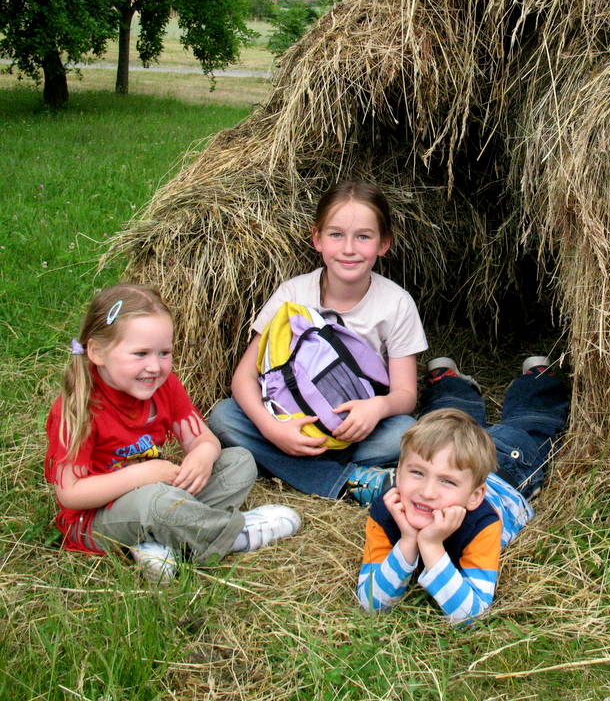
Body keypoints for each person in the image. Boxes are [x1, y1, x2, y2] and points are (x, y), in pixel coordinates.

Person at [45, 284, 301, 583]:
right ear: (97, 352)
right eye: (140, 354)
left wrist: (204, 455)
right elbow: (71, 493)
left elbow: (203, 439)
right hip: (95, 522)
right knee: (158, 503)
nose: (154, 366)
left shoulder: (164, 388)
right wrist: (144, 475)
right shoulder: (76, 408)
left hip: (159, 495)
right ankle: (234, 534)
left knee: (240, 462)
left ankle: (157, 545)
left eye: (164, 353)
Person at [209, 181, 428, 505]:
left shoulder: (396, 303)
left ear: (384, 243)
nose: (349, 248)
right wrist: (273, 431)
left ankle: (283, 465)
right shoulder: (293, 294)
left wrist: (377, 408)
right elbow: (243, 378)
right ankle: (347, 479)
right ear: (317, 239)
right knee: (225, 416)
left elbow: (406, 394)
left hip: (355, 431)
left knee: (404, 434)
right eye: (336, 235)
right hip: (289, 423)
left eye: (363, 236)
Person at [357, 357, 569, 626]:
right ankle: (449, 381)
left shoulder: (482, 523)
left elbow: (472, 614)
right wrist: (409, 540)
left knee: (531, 423)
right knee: (448, 418)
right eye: (417, 473)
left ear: (474, 497)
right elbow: (371, 603)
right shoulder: (387, 511)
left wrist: (432, 546)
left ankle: (536, 379)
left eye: (446, 482)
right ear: (397, 472)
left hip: (508, 465)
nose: (427, 492)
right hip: (459, 461)